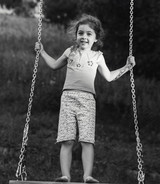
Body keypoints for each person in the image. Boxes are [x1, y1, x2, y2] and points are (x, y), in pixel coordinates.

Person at [35, 14, 136, 183]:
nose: (84, 37)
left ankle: (87, 176)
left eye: (89, 34)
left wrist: (127, 67)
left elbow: (109, 77)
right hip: (68, 98)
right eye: (80, 33)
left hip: (87, 101)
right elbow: (54, 66)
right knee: (66, 139)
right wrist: (42, 52)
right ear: (76, 36)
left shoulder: (98, 57)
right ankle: (65, 176)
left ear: (96, 38)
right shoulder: (70, 52)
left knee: (87, 140)